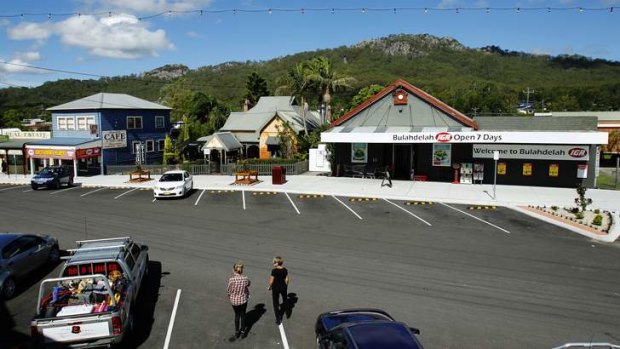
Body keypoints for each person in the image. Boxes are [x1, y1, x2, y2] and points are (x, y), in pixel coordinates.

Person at [227, 262, 250, 340]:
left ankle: (237, 332)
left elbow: (229, 290)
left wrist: (230, 296)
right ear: (241, 270)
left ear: (234, 270)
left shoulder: (232, 279)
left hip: (235, 301)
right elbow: (248, 284)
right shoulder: (245, 278)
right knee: (243, 315)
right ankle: (243, 332)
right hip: (243, 300)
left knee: (237, 315)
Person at [268, 256, 289, 325]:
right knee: (285, 299)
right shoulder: (285, 270)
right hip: (283, 287)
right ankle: (286, 311)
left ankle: (278, 319)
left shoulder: (274, 271)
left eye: (274, 262)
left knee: (275, 303)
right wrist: (286, 285)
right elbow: (286, 279)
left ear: (277, 263)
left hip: (276, 288)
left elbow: (271, 281)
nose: (273, 264)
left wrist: (270, 286)